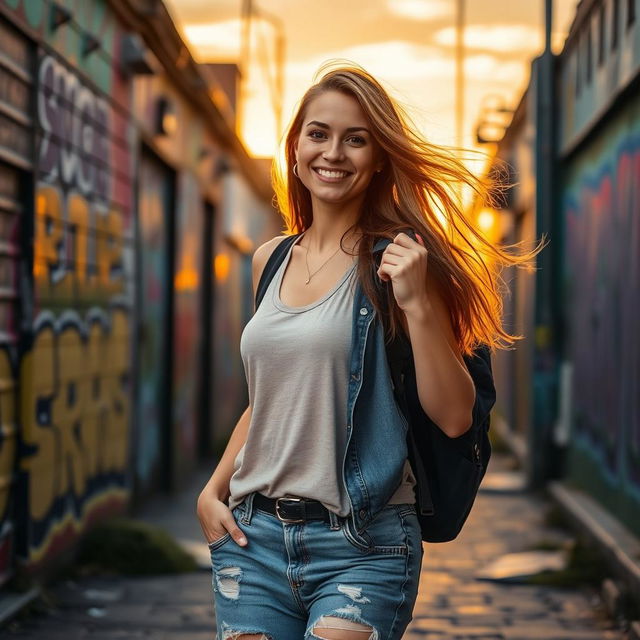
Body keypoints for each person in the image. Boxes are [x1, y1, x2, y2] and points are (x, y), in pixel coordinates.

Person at [196, 62, 543, 640]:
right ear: (296, 145)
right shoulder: (269, 260)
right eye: (319, 133)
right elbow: (272, 403)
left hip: (363, 543)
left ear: (378, 155)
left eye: (355, 139)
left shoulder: (400, 262)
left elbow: (456, 415)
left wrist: (420, 305)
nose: (333, 152)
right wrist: (212, 491)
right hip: (252, 542)